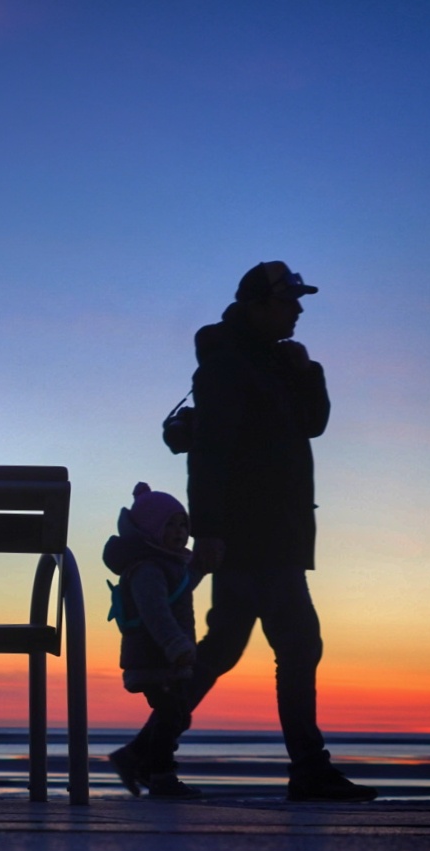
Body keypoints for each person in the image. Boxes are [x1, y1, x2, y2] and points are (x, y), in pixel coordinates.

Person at [112, 261, 377, 802]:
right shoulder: (228, 366)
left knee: (223, 649)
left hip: (273, 530)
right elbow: (209, 456)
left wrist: (307, 370)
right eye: (288, 301)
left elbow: (313, 423)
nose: (299, 309)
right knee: (298, 644)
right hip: (252, 534)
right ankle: (308, 768)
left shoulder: (275, 362)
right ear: (258, 305)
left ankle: (147, 752)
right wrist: (208, 531)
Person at [102, 483, 206, 798]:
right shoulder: (148, 568)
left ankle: (134, 759)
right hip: (154, 656)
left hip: (165, 658)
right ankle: (160, 775)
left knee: (175, 713)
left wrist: (203, 566)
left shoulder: (166, 564)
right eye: (170, 524)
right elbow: (156, 612)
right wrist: (177, 645)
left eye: (183, 524)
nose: (179, 531)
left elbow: (179, 590)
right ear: (150, 529)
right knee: (172, 713)